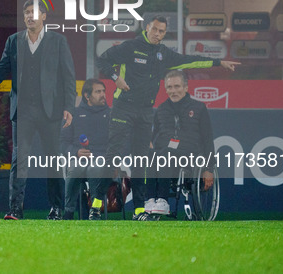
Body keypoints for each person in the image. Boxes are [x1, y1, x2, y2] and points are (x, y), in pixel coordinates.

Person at [96, 15, 238, 221]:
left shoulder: (163, 54)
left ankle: (139, 210)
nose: (157, 34)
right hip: (123, 107)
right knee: (113, 156)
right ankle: (96, 205)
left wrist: (219, 62)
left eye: (161, 31)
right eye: (154, 29)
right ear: (147, 28)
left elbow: (191, 60)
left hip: (145, 111)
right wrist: (116, 78)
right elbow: (102, 60)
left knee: (140, 160)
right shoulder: (131, 46)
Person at [0, 0, 76, 220]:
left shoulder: (58, 41)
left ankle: (57, 208)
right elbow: (3, 66)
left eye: (33, 12)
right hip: (22, 110)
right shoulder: (13, 41)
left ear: (44, 16)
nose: (29, 16)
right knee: (19, 160)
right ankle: (15, 209)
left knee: (53, 160)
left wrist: (69, 107)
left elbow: (68, 77)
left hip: (50, 111)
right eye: (26, 13)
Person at [146, 70, 215, 216]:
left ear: (185, 87)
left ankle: (163, 201)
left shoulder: (199, 108)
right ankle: (151, 200)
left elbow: (208, 139)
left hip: (190, 157)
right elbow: (152, 137)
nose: (173, 91)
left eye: (177, 86)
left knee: (166, 153)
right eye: (169, 87)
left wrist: (208, 168)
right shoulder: (161, 110)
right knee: (149, 154)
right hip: (164, 155)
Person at [61, 79, 110, 221]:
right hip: (78, 158)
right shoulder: (73, 115)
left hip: (102, 158)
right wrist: (75, 152)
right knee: (75, 168)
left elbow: (118, 142)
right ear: (87, 96)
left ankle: (95, 210)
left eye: (103, 91)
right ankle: (68, 212)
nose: (103, 95)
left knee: (95, 168)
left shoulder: (111, 114)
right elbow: (62, 143)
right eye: (98, 91)